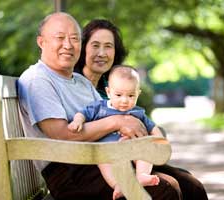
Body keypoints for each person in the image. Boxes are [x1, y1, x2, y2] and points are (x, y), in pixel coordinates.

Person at [18, 12, 182, 200]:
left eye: (74, 39)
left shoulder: (80, 81)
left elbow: (106, 113)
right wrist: (117, 122)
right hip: (71, 171)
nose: (68, 45)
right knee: (165, 188)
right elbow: (62, 135)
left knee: (190, 185)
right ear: (42, 42)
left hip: (104, 156)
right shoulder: (38, 80)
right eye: (60, 38)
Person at [74, 18, 209, 200]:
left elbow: (140, 120)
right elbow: (77, 131)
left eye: (108, 46)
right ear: (83, 48)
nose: (102, 53)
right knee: (169, 186)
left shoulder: (116, 81)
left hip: (133, 155)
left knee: (192, 185)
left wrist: (151, 138)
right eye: (95, 45)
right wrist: (119, 123)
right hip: (100, 162)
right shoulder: (75, 84)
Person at [69, 65, 163, 199]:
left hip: (132, 148)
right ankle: (117, 185)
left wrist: (159, 139)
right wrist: (77, 121)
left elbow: (152, 127)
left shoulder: (137, 112)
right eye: (118, 95)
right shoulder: (99, 107)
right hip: (108, 151)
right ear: (108, 92)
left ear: (138, 94)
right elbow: (82, 114)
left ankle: (141, 175)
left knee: (146, 150)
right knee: (103, 162)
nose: (124, 100)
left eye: (131, 95)